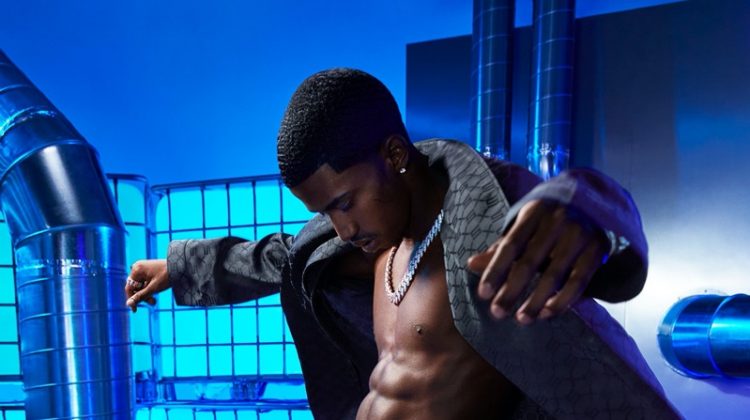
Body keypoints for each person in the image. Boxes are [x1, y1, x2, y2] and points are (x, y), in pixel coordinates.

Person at [125, 69, 680, 419]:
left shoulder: (489, 213)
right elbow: (284, 258)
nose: (342, 227)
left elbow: (580, 206)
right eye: (325, 212)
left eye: (345, 202)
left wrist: (580, 212)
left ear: (394, 155)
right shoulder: (371, 243)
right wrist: (178, 266)